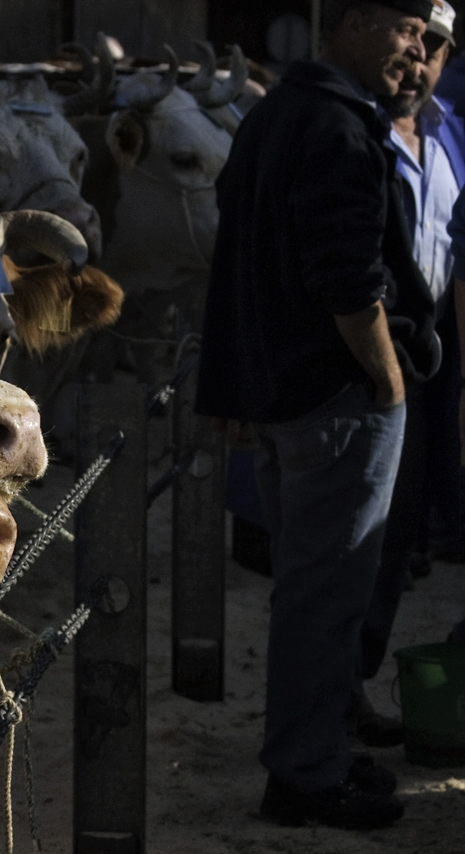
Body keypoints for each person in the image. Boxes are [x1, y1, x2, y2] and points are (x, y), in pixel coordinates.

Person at [196, 0, 441, 831]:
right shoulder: (338, 129)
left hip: (282, 396)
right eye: (403, 26)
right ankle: (305, 777)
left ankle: (321, 747)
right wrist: (389, 379)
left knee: (313, 588)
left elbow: (234, 258)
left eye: (425, 36)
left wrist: (232, 388)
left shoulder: (276, 112)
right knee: (326, 592)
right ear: (346, 23)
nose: (416, 46)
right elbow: (348, 278)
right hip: (335, 400)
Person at [351, 0, 465, 745]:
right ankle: (336, 697)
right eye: (415, 44)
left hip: (430, 368)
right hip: (360, 365)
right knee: (353, 539)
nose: (423, 63)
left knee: (395, 539)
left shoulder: (452, 133)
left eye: (439, 48)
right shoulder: (352, 128)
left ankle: (352, 687)